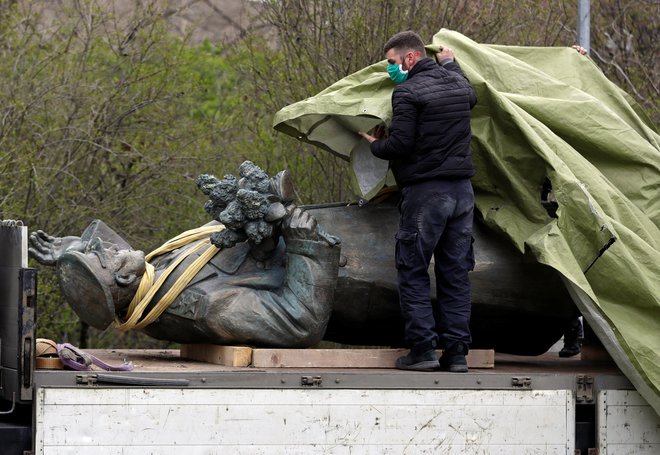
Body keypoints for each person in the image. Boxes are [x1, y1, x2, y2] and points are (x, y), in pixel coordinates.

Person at [29, 170, 342, 348]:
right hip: (359, 267)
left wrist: (75, 249)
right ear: (123, 279)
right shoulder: (201, 307)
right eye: (100, 254)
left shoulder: (156, 277)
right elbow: (299, 323)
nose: (103, 245)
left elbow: (129, 273)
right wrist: (307, 244)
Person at [359, 31, 477, 372]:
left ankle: (423, 350)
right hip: (462, 193)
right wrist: (451, 64)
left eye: (393, 62)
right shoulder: (458, 85)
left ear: (410, 58)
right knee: (455, 273)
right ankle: (457, 354)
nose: (391, 70)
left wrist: (373, 143)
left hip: (427, 193)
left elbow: (400, 146)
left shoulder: (407, 92)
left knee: (412, 269)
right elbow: (469, 94)